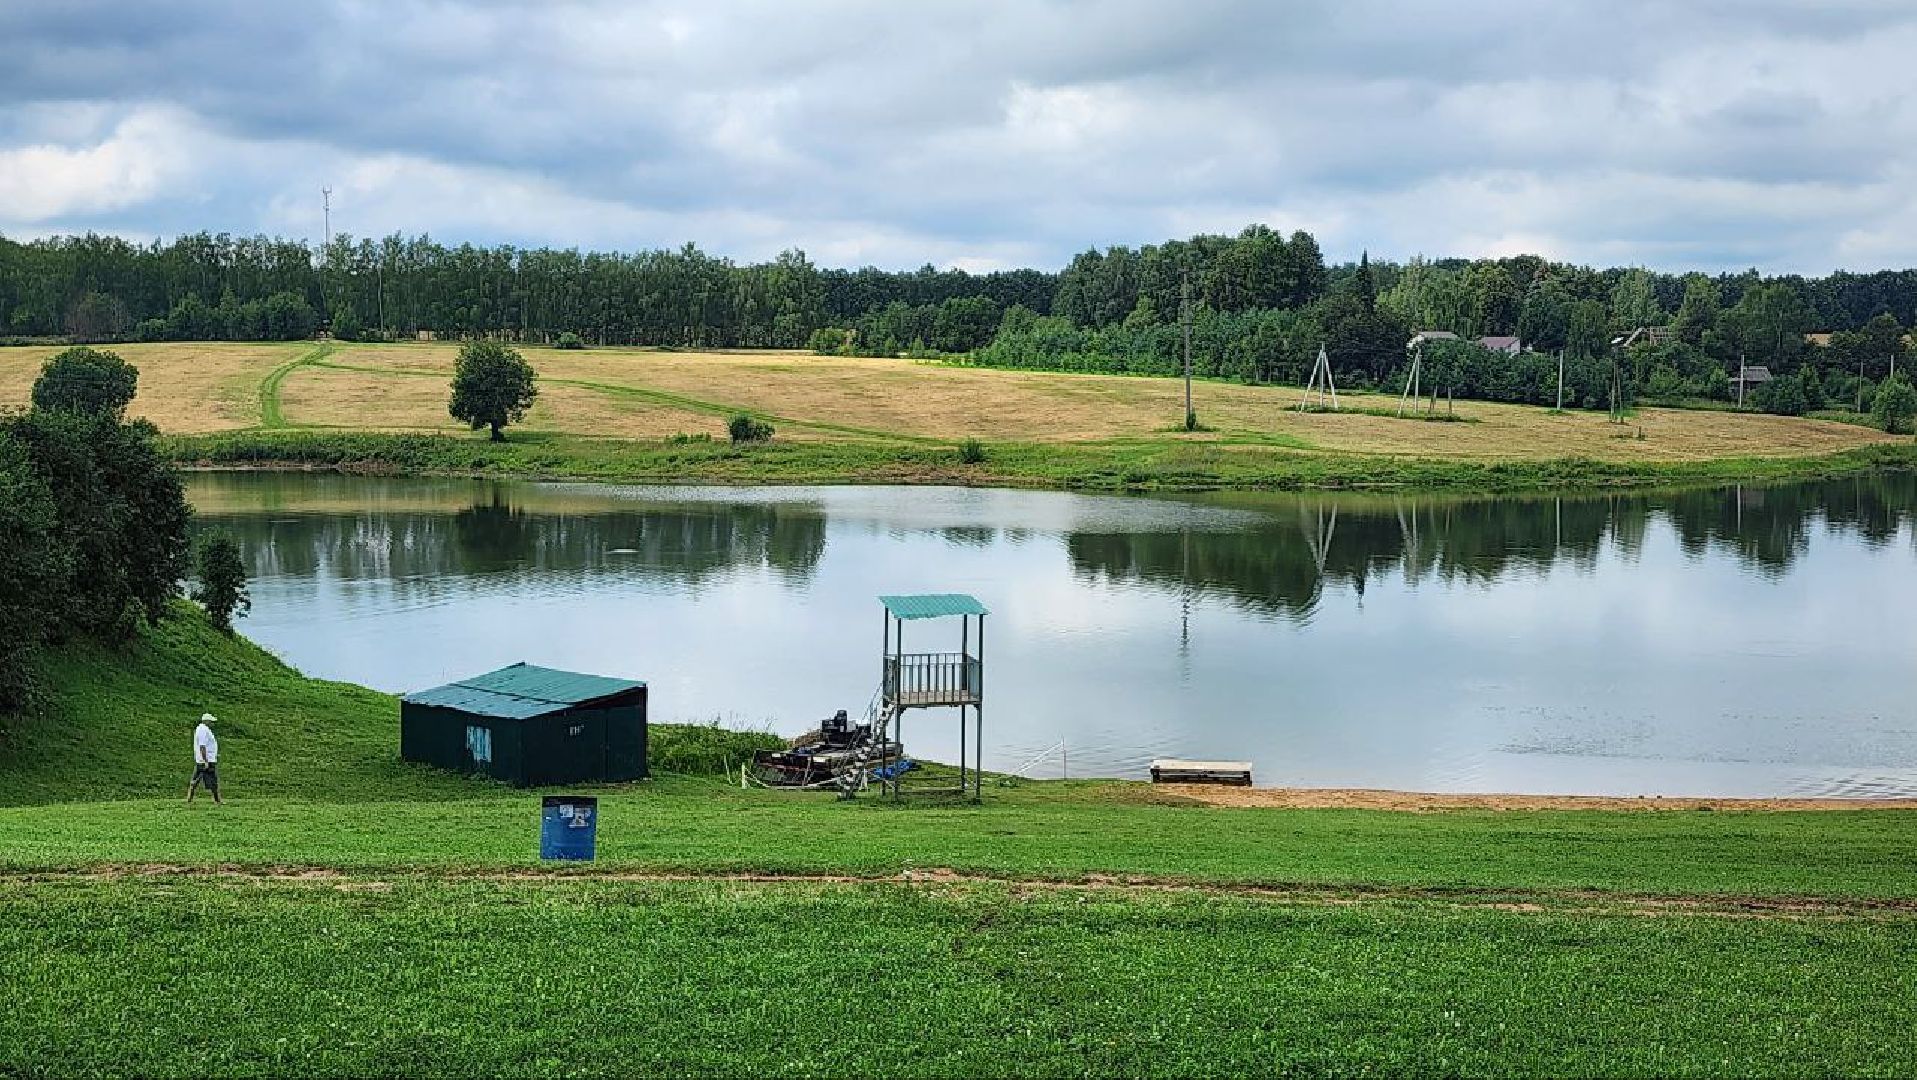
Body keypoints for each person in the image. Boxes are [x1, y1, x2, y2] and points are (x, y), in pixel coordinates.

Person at [187, 713, 222, 805]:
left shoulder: (203, 729)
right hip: (206, 760)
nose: (212, 724)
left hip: (204, 759)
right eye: (211, 722)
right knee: (212, 780)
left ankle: (189, 799)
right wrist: (206, 760)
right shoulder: (203, 730)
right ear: (206, 721)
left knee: (196, 779)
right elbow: (202, 746)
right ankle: (217, 800)